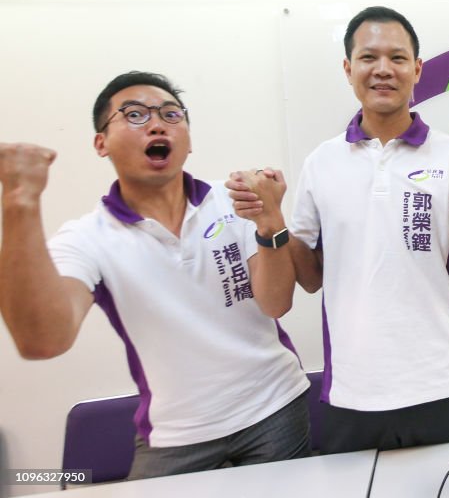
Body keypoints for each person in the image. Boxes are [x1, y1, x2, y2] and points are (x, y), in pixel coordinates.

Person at [0, 71, 310, 479]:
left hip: (277, 408)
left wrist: (270, 222)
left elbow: (275, 303)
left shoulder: (233, 200)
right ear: (101, 142)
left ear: (189, 138)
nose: (157, 123)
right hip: (178, 436)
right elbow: (42, 341)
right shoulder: (87, 238)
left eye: (171, 113)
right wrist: (20, 202)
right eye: (134, 114)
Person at [230, 6, 449, 453]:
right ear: (348, 68)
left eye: (397, 59)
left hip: (445, 382)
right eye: (368, 58)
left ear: (417, 70)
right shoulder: (322, 161)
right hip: (352, 393)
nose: (383, 70)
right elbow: (311, 276)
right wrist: (273, 218)